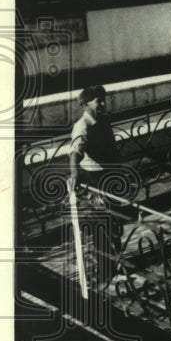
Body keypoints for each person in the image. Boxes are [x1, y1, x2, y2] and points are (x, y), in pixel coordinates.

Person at [68, 85, 122, 279]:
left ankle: (117, 264)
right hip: (95, 179)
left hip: (111, 175)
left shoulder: (104, 120)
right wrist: (74, 174)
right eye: (98, 100)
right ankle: (106, 272)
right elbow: (75, 153)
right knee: (103, 223)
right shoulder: (83, 126)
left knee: (115, 221)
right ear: (87, 103)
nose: (103, 103)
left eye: (103, 99)